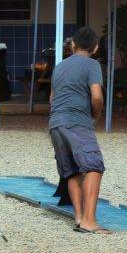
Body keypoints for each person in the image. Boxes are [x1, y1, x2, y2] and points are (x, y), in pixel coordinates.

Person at [48, 26, 110, 235]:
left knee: (72, 171)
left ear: (72, 45)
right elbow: (97, 96)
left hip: (56, 123)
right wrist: (97, 116)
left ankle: (79, 218)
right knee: (94, 166)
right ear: (96, 47)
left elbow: (52, 98)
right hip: (77, 122)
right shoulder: (92, 65)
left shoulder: (60, 66)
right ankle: (90, 221)